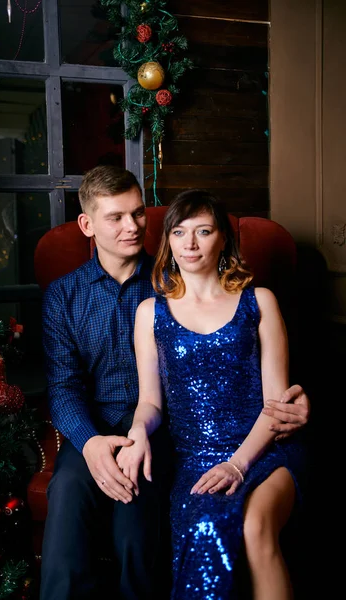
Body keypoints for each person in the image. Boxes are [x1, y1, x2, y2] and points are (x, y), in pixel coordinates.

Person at [40, 167, 310, 600]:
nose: (132, 227)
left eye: (138, 214)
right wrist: (91, 442)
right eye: (116, 218)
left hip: (165, 433)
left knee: (136, 529)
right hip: (102, 425)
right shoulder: (65, 295)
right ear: (88, 225)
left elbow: (260, 380)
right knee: (68, 493)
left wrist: (292, 405)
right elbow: (62, 387)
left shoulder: (170, 281)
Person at [116, 189, 309, 600]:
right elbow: (150, 402)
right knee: (204, 527)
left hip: (265, 450)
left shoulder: (259, 302)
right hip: (197, 461)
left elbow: (278, 407)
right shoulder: (151, 313)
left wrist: (238, 465)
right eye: (179, 232)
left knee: (256, 527)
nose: (190, 243)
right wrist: (137, 432)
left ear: (222, 238)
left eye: (203, 231)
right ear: (167, 240)